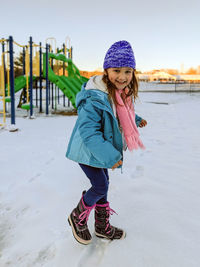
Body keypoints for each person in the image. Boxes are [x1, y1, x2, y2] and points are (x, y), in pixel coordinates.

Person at [66, 40, 147, 245]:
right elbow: (89, 133)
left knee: (104, 185)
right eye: (117, 70)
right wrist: (111, 156)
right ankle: (77, 217)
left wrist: (136, 120)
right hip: (88, 150)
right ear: (106, 70)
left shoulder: (119, 94)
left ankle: (101, 227)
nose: (122, 76)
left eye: (128, 71)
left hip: (100, 150)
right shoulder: (95, 98)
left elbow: (119, 116)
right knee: (100, 186)